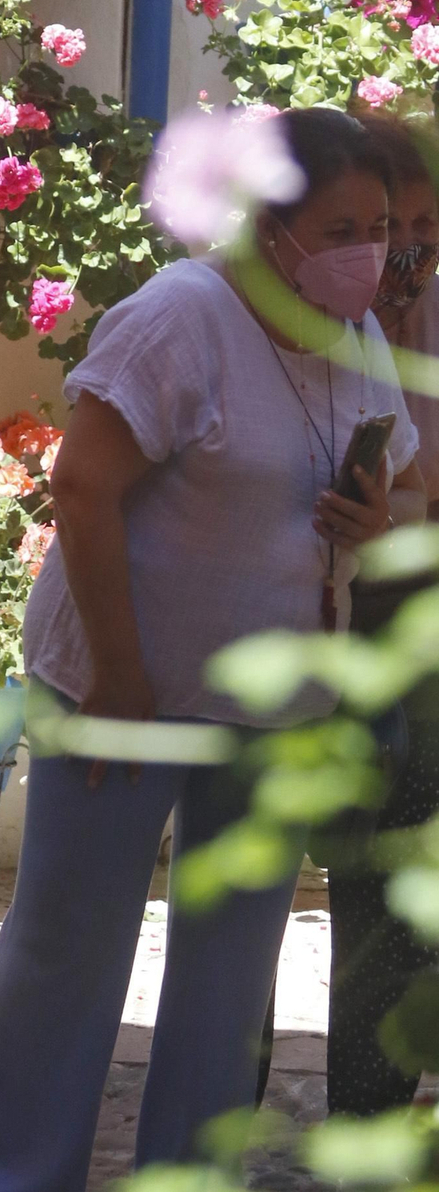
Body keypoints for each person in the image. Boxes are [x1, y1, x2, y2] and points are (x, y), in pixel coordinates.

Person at [0, 106, 425, 1192]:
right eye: (341, 228)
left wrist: (372, 523)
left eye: (381, 227)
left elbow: (400, 486)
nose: (369, 253)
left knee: (230, 977)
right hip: (126, 691)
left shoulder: (355, 339)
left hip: (275, 709)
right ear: (269, 226)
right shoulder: (181, 316)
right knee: (69, 951)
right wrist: (119, 678)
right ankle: (10, 1175)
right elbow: (82, 486)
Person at [319, 113, 439, 1113]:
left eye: (429, 231)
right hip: (327, 618)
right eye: (396, 230)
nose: (410, 252)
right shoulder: (325, 323)